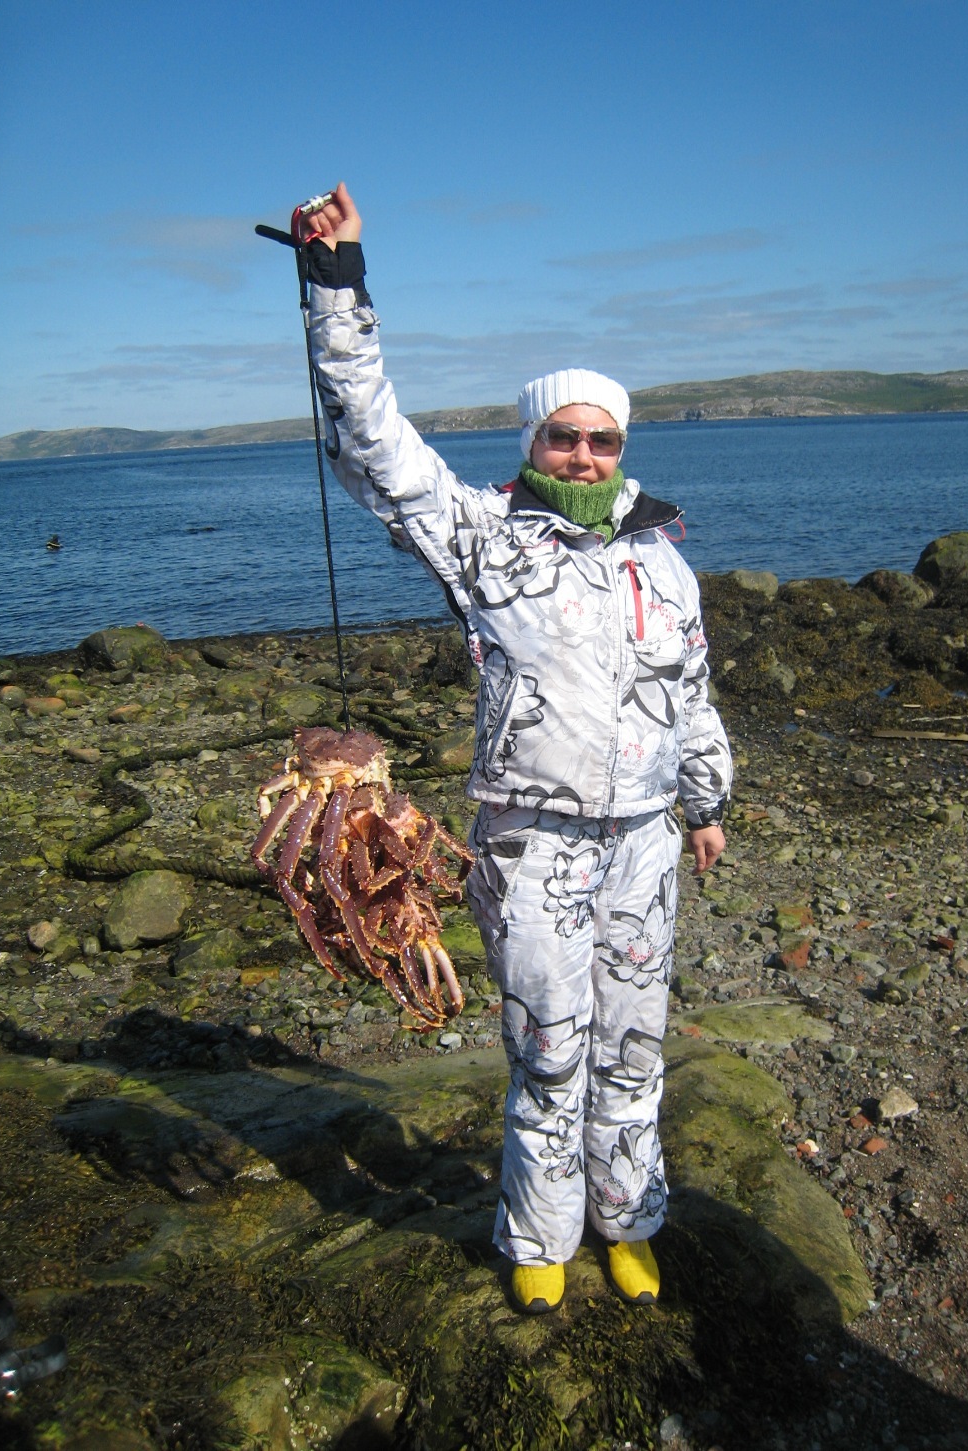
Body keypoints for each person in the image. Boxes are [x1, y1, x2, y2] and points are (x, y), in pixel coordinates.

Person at [298, 184, 733, 1314]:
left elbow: (689, 688)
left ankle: (627, 1221)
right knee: (548, 1048)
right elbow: (372, 444)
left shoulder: (662, 558)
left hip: (643, 840)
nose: (584, 455)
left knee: (634, 1046)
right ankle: (539, 1233)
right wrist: (335, 284)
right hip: (530, 843)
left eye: (602, 439)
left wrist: (705, 801)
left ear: (621, 446)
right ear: (532, 440)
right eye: (563, 436)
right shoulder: (485, 538)